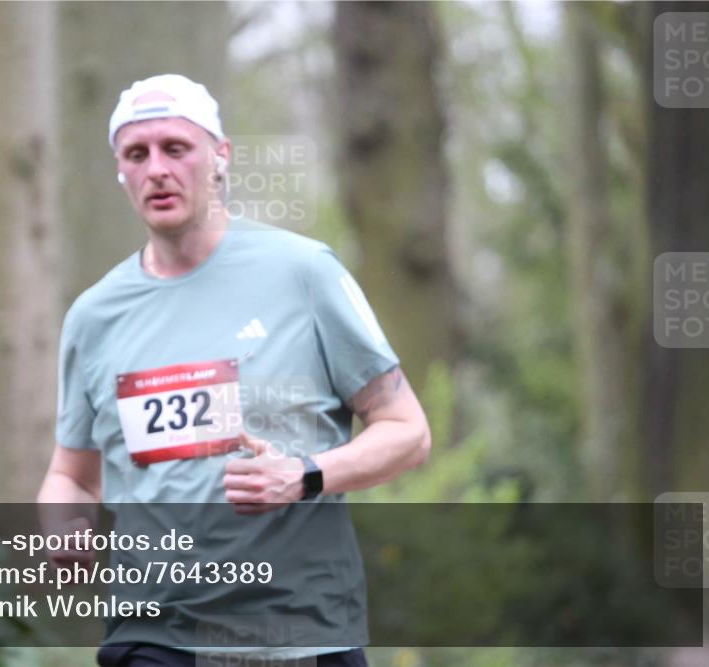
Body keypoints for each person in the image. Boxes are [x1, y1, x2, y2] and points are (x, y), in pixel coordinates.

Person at [37, 73, 432, 667]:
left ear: (220, 157)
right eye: (136, 155)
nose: (157, 170)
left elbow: (408, 432)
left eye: (176, 148)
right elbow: (71, 475)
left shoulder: (303, 273)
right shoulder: (94, 316)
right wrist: (62, 527)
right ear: (120, 171)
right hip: (152, 637)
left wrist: (305, 475)